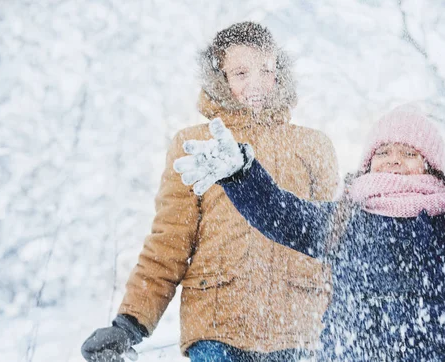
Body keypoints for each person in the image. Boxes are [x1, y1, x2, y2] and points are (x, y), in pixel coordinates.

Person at [173, 105, 445, 361]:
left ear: (432, 168)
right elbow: (280, 214)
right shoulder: (343, 220)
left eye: (409, 153)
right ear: (367, 163)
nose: (394, 158)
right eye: (384, 151)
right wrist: (242, 175)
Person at [81, 22, 339, 362]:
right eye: (242, 72)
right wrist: (130, 323)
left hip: (297, 330)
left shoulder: (313, 146)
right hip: (217, 328)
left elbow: (332, 242)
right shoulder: (194, 145)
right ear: (221, 78)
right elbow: (169, 243)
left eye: (266, 69)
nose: (257, 83)